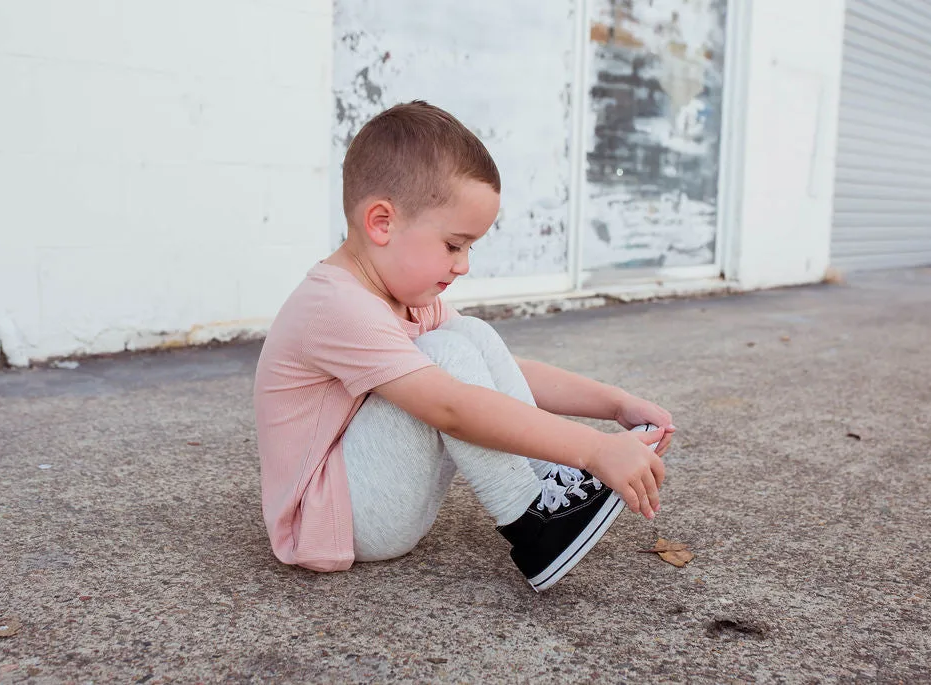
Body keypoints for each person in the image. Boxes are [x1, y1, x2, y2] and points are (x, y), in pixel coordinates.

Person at [254, 101, 675, 591]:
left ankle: (548, 484)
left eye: (470, 248)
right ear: (382, 223)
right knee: (446, 358)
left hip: (376, 501)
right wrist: (595, 450)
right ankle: (533, 524)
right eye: (454, 245)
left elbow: (504, 371)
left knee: (469, 335)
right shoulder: (337, 307)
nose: (463, 265)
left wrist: (614, 403)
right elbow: (453, 408)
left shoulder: (401, 296)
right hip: (331, 521)